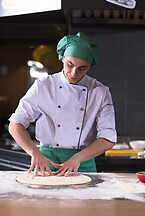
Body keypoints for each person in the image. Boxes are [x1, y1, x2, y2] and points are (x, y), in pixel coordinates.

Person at [8, 32, 117, 177]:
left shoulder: (100, 92)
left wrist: (78, 158)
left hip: (82, 163)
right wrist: (34, 152)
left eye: (82, 68)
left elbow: (108, 138)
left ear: (90, 66)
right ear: (63, 58)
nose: (73, 72)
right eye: (69, 64)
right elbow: (15, 124)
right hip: (45, 163)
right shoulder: (43, 86)